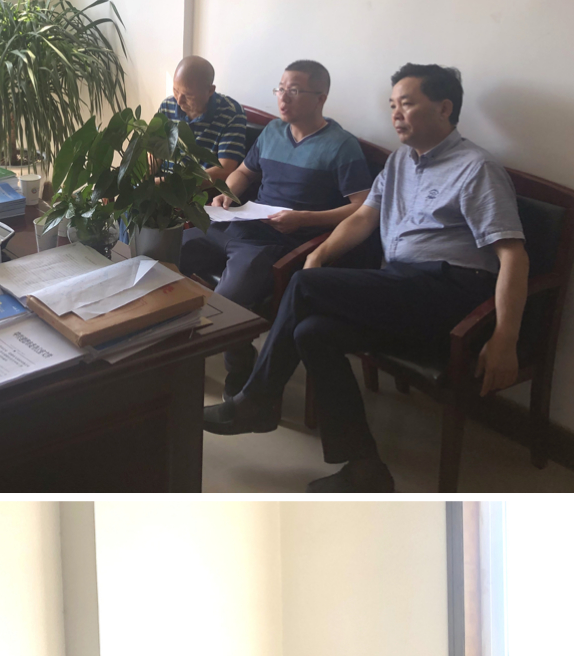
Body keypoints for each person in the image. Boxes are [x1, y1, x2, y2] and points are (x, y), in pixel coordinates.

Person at [203, 64, 529, 492]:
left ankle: (257, 401)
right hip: (401, 285)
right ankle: (365, 468)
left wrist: (505, 337)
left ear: (444, 108)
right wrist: (317, 255)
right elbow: (362, 219)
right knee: (313, 332)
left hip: (451, 291)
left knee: (304, 285)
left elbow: (513, 256)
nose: (395, 114)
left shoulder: (476, 168)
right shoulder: (400, 162)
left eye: (406, 104)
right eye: (392, 105)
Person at [181, 59, 372, 394]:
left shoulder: (341, 146)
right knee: (168, 250)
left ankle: (240, 368)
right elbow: (244, 172)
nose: (283, 98)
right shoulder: (272, 132)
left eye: (294, 91)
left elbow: (362, 206)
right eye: (280, 89)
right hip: (240, 224)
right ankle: (165, 351)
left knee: (227, 301)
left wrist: (304, 218)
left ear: (320, 98)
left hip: (279, 242)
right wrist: (227, 194)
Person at [156, 56, 247, 188]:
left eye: (188, 95)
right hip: (162, 185)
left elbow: (225, 170)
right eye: (176, 91)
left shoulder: (231, 113)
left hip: (200, 191)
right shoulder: (167, 105)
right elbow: (155, 152)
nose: (179, 101)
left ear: (210, 91)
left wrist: (171, 184)